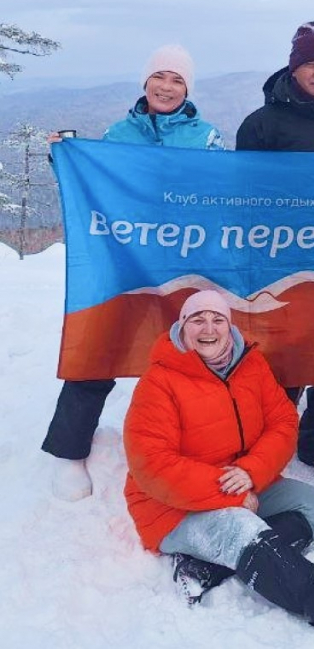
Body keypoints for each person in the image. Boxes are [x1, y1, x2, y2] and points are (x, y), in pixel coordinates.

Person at [123, 290, 314, 633]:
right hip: (171, 508)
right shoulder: (159, 382)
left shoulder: (251, 365)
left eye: (218, 319)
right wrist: (231, 496)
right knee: (241, 529)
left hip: (242, 482)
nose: (208, 328)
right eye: (197, 320)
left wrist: (251, 472)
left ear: (229, 326)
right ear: (182, 327)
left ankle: (208, 567)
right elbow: (153, 466)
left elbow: (283, 422)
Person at [42, 44, 225, 502]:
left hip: (184, 261)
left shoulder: (206, 138)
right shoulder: (119, 133)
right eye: (159, 76)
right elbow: (93, 183)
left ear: (188, 89)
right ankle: (69, 450)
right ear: (145, 82)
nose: (167, 86)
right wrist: (65, 157)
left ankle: (199, 439)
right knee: (100, 343)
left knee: (192, 352)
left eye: (177, 79)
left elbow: (226, 191)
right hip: (124, 260)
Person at [236, 21, 314, 484]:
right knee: (282, 356)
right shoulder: (263, 123)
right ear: (294, 69)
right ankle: (273, 438)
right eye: (311, 64)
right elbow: (243, 193)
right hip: (283, 261)